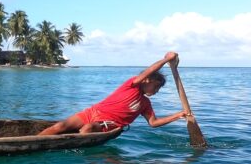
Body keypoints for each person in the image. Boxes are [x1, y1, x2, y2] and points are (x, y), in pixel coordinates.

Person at [38, 51, 187, 136]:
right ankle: (36, 139)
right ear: (147, 80)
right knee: (60, 126)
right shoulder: (132, 85)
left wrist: (178, 115)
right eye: (156, 86)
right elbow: (150, 70)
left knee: (88, 129)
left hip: (109, 124)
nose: (156, 91)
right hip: (92, 112)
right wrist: (166, 59)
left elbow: (153, 123)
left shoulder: (145, 104)